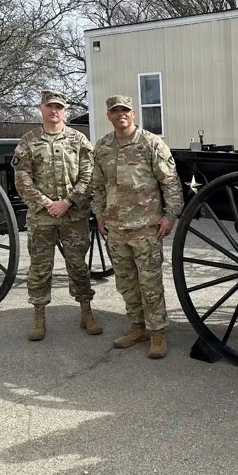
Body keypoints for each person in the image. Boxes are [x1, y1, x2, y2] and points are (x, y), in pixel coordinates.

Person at [90, 95, 184, 359]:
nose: (120, 114)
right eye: (115, 111)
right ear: (108, 116)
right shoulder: (103, 147)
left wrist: (170, 216)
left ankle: (157, 334)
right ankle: (137, 326)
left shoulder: (151, 144)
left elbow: (171, 183)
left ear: (133, 114)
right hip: (116, 228)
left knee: (150, 283)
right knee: (126, 282)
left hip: (147, 228)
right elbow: (96, 186)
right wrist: (99, 214)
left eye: (125, 110)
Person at [12, 89, 101, 341]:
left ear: (65, 111)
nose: (54, 111)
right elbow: (22, 178)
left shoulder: (78, 140)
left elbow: (88, 176)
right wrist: (46, 203)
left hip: (74, 215)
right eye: (50, 106)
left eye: (59, 107)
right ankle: (39, 316)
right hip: (42, 217)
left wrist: (68, 201)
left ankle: (86, 311)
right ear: (41, 108)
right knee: (40, 267)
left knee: (78, 265)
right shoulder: (28, 142)